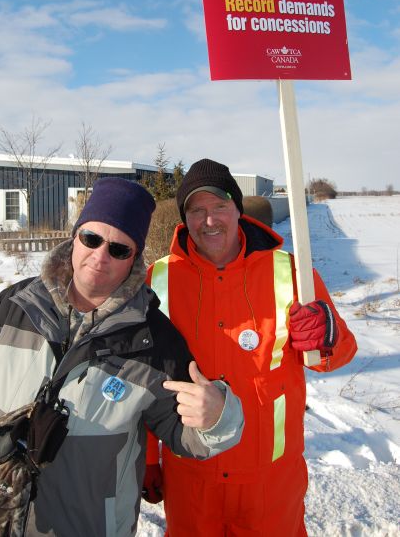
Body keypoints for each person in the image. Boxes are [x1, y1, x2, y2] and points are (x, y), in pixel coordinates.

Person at [0, 177, 244, 537]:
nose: (100, 256)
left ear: (134, 259)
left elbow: (187, 434)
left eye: (119, 249)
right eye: (91, 238)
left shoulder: (153, 341)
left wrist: (218, 418)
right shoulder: (14, 306)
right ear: (74, 236)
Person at [144, 158, 357, 536]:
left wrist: (328, 336)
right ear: (184, 218)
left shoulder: (292, 273)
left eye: (220, 207)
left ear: (238, 210)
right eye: (197, 210)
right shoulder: (159, 278)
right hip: (192, 476)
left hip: (270, 482)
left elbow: (336, 355)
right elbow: (142, 377)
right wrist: (146, 459)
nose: (209, 220)